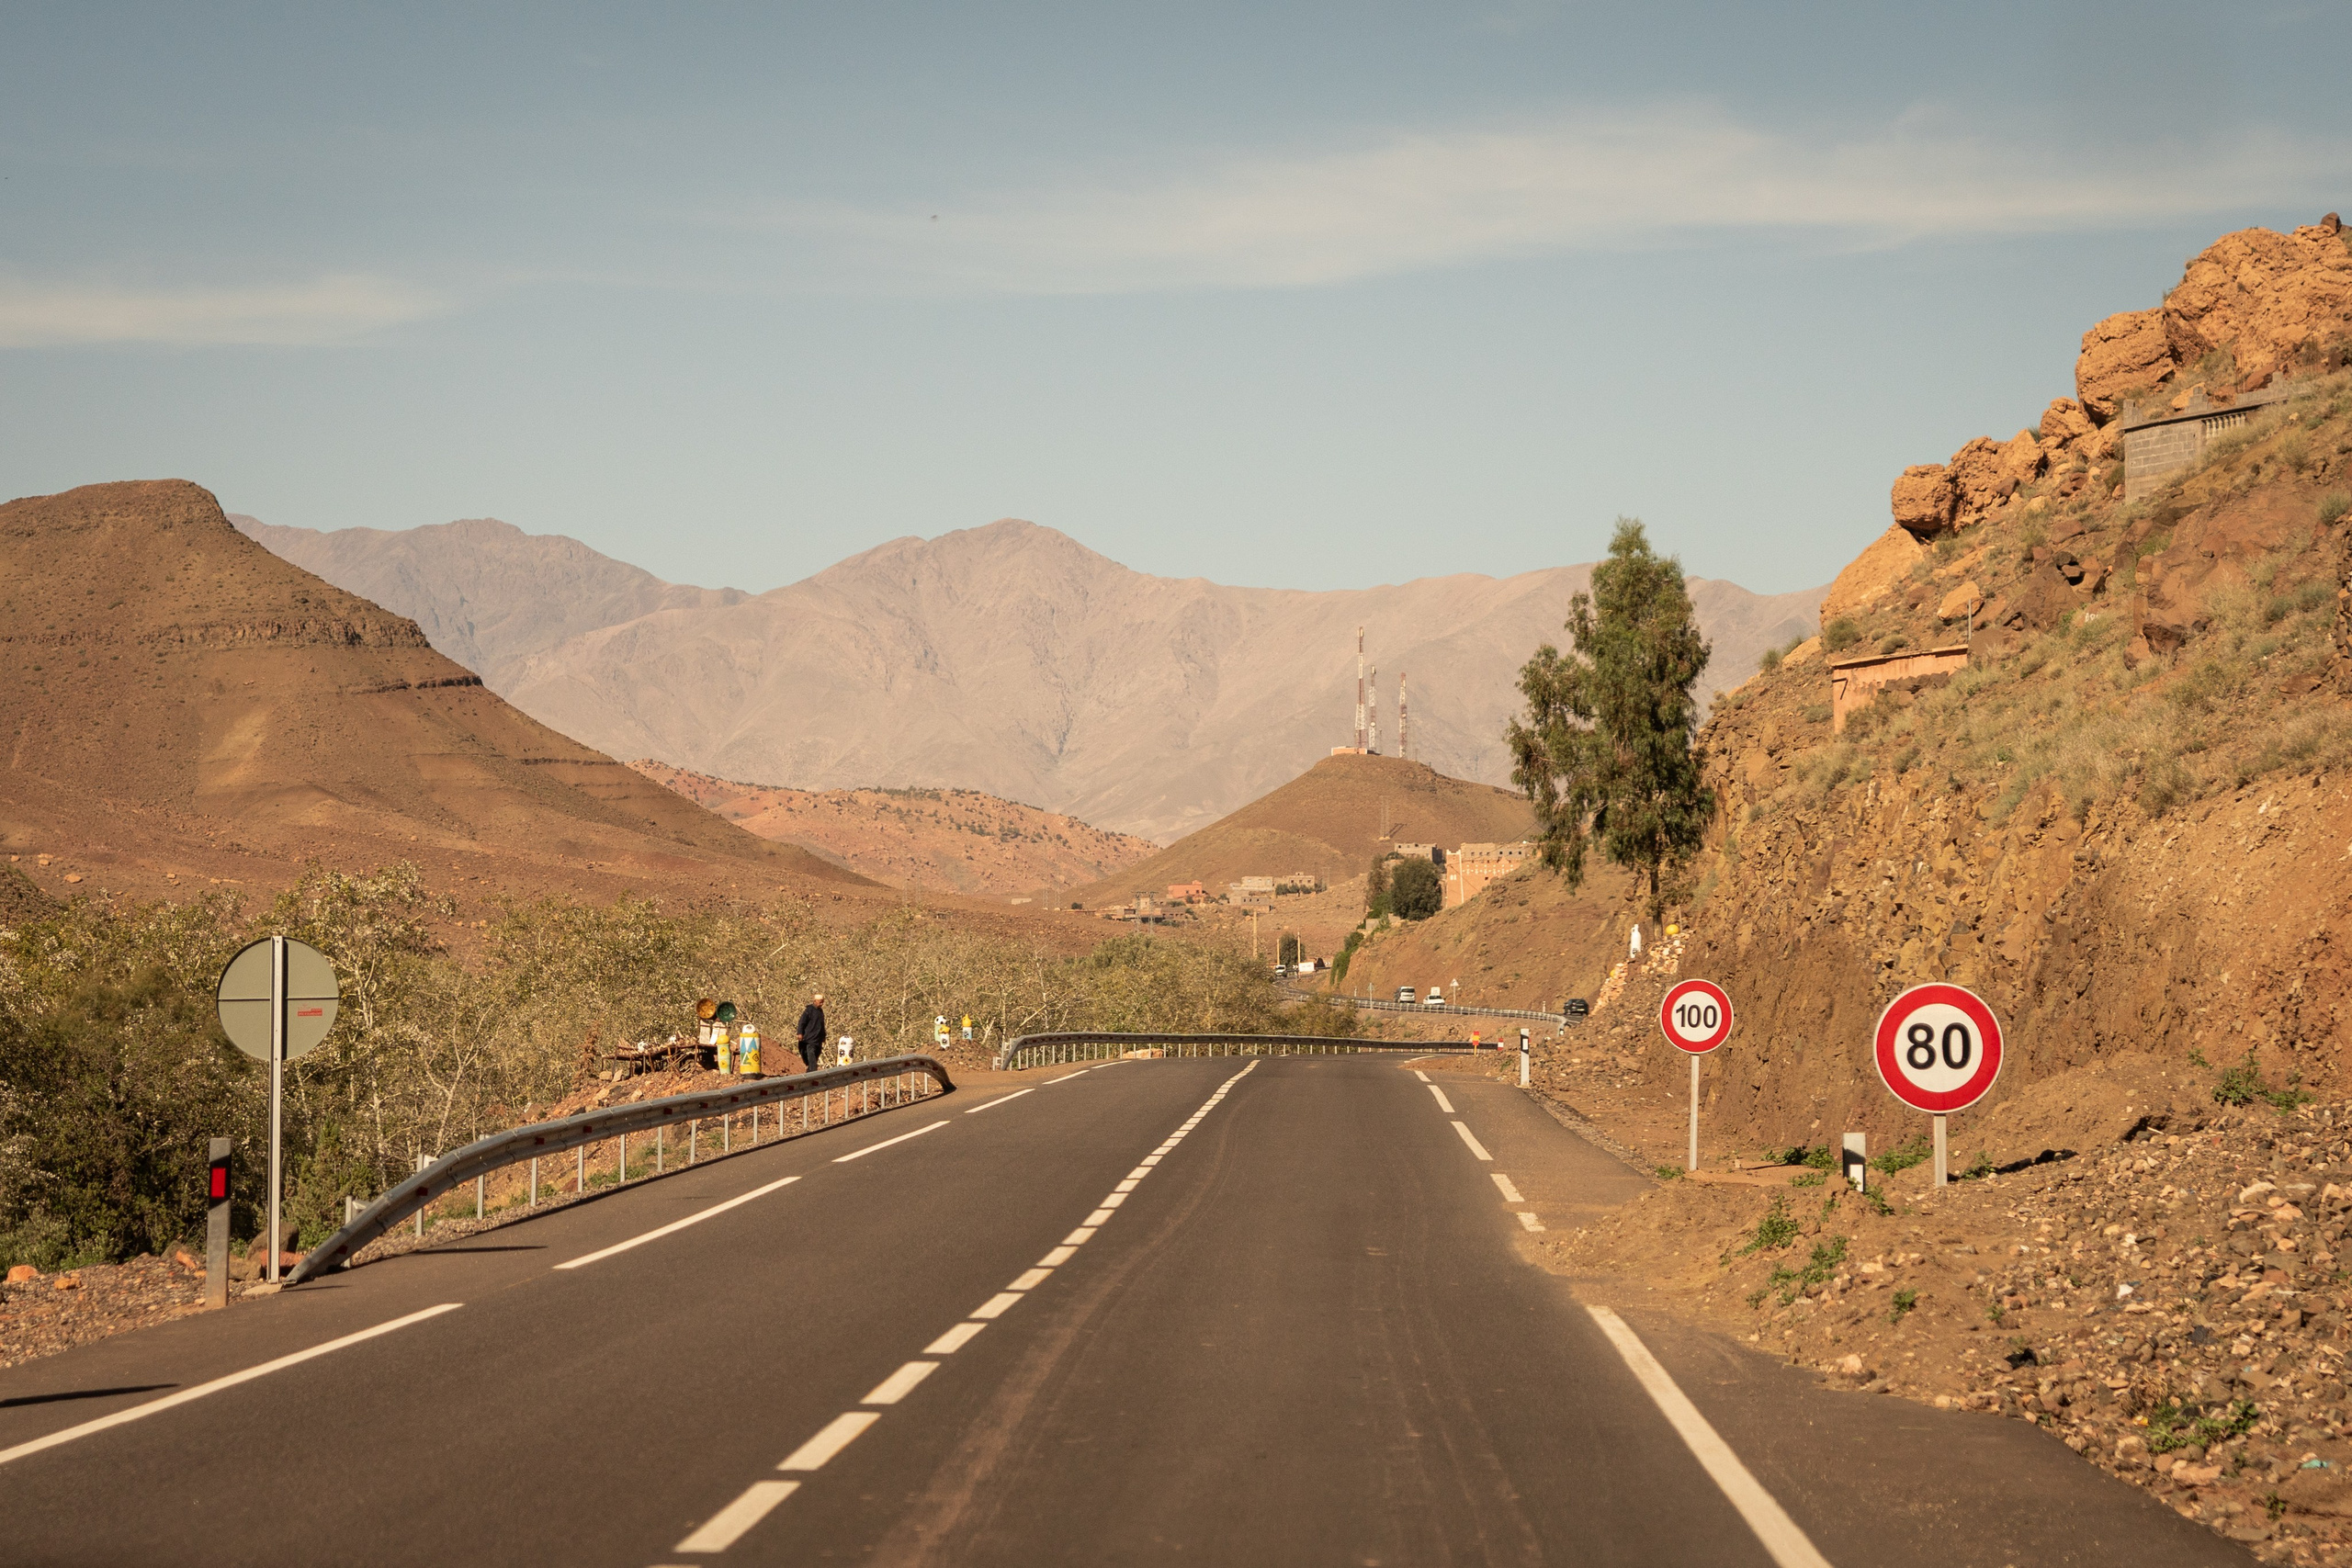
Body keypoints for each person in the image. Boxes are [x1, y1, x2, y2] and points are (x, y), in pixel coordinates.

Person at [796, 992, 827, 1072]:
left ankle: (810, 1070)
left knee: (817, 1053)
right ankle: (813, 1071)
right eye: (820, 1002)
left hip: (818, 1038)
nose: (822, 1004)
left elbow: (821, 1025)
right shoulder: (809, 1010)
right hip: (810, 1038)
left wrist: (823, 1036)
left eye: (822, 1002)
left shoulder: (820, 1011)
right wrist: (800, 1033)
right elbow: (802, 1022)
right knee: (811, 1053)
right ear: (815, 1001)